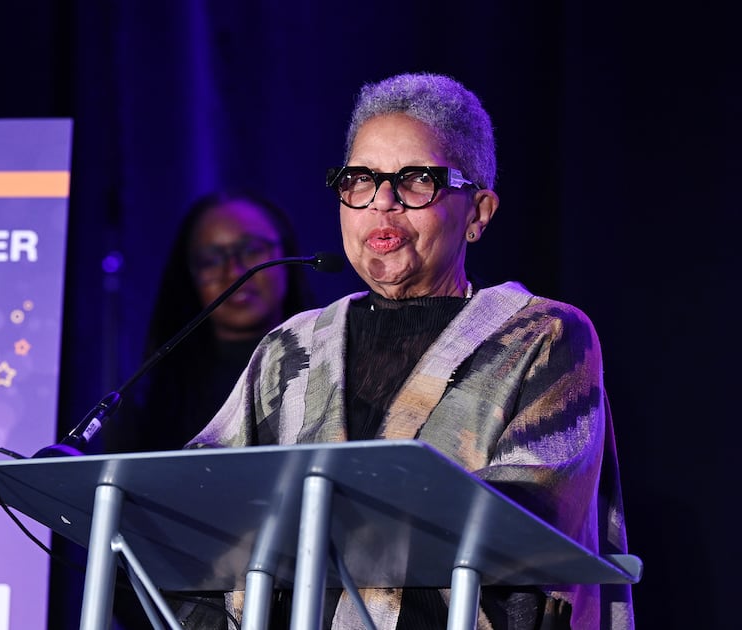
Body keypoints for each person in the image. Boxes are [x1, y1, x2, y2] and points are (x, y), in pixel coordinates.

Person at [173, 72, 633, 629]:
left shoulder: (541, 336)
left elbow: (528, 524)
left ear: (478, 212)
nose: (382, 204)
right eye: (360, 180)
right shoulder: (290, 347)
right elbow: (196, 505)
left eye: (417, 181)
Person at [94, 189, 318, 455]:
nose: (233, 272)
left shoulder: (332, 362)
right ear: (190, 276)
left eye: (251, 250)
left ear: (287, 254)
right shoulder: (153, 400)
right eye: (211, 260)